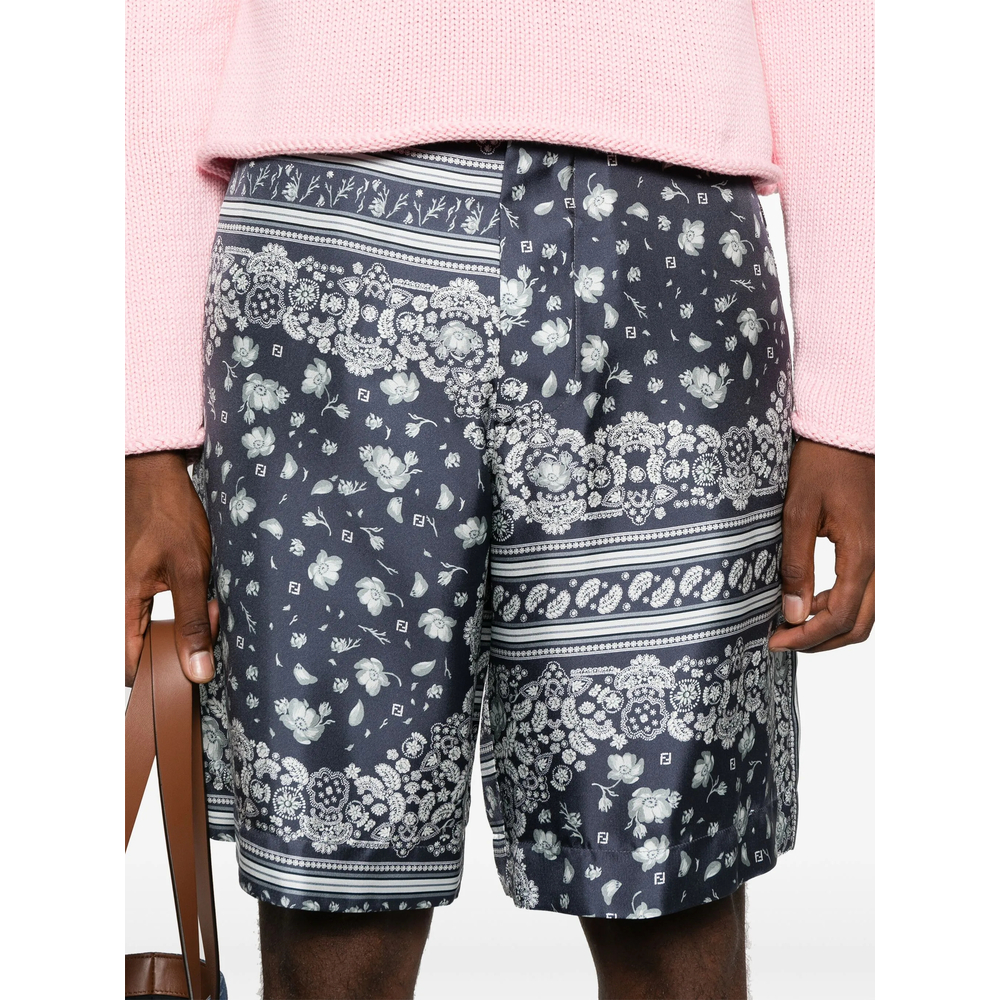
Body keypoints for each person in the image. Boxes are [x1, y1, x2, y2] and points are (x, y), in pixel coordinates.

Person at [126, 3, 874, 998]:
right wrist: (145, 433)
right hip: (325, 247)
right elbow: (162, 29)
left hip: (662, 247)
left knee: (667, 871)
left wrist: (852, 407)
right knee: (331, 881)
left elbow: (833, 25)